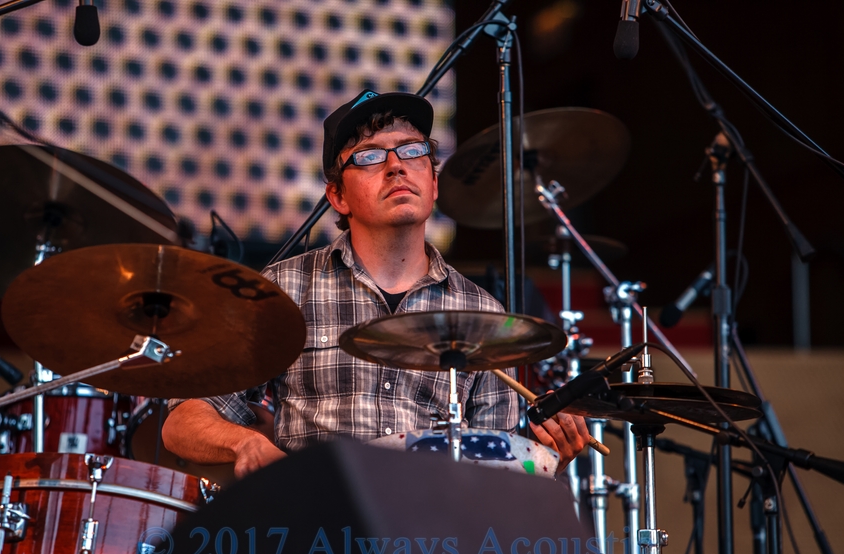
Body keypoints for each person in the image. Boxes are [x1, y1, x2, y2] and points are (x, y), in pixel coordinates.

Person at [162, 89, 589, 478]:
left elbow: (496, 475)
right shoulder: (284, 288)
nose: (396, 166)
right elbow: (182, 421)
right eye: (369, 156)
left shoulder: (482, 314)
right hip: (318, 518)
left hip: (429, 526)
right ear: (338, 197)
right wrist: (245, 442)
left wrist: (545, 456)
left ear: (434, 183)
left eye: (413, 151)